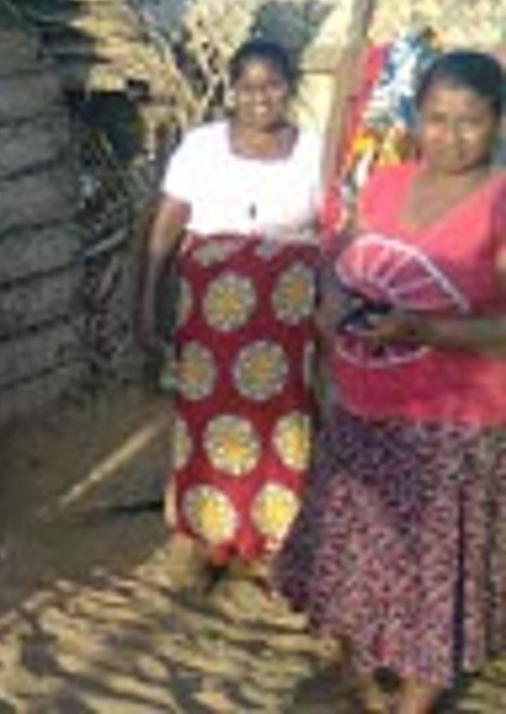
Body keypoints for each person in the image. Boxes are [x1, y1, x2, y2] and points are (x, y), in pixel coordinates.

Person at [276, 50, 506, 714]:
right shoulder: (385, 183)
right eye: (436, 118)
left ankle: (412, 703)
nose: (450, 136)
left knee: (430, 577)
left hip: (454, 428)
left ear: (497, 122)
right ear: (415, 116)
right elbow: (343, 254)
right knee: (351, 551)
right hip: (364, 405)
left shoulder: (499, 203)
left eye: (469, 121)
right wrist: (329, 298)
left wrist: (425, 330)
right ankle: (360, 682)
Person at [137, 39, 323, 590]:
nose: (260, 97)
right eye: (248, 86)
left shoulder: (315, 150)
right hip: (211, 318)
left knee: (283, 426)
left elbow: (335, 231)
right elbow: (166, 230)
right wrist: (146, 302)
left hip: (287, 321)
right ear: (232, 91)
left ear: (290, 87)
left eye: (273, 85)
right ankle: (206, 540)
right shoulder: (201, 148)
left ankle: (271, 543)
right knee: (206, 421)